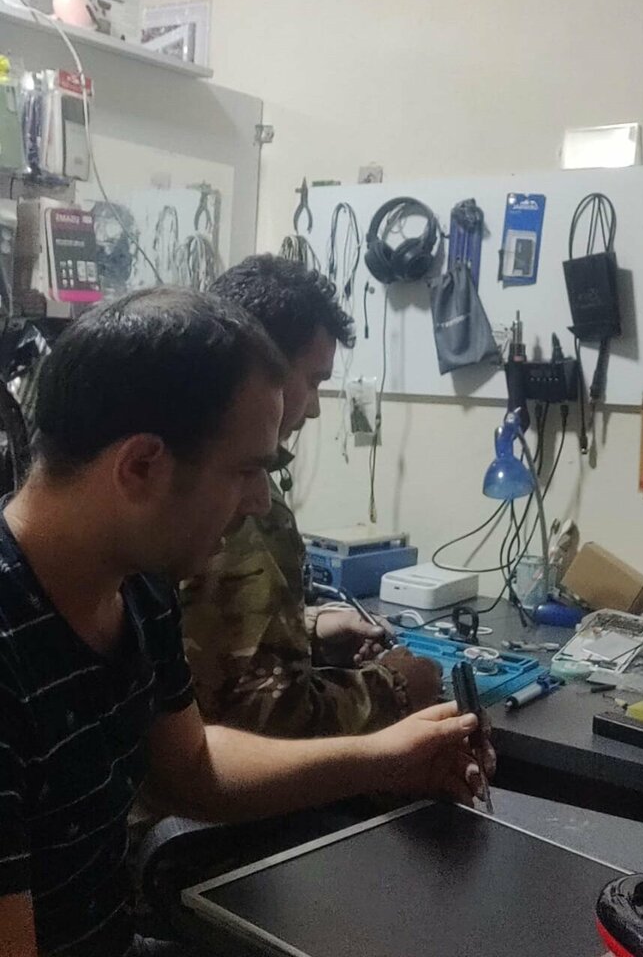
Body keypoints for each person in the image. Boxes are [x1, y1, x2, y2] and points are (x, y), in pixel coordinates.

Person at [0, 287, 492, 957]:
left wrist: (387, 759)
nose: (259, 500)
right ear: (140, 466)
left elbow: (191, 769)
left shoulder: (137, 585)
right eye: (245, 471)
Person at [182, 254, 441, 737]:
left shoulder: (202, 464)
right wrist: (397, 686)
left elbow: (200, 638)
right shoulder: (230, 500)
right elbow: (265, 722)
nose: (316, 409)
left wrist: (307, 628)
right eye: (316, 380)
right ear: (267, 368)